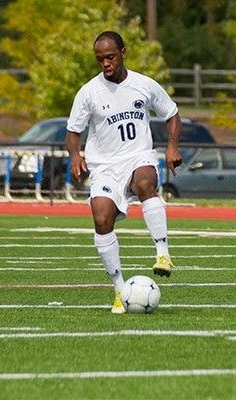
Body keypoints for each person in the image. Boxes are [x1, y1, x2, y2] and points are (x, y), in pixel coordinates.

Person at [65, 31, 182, 314]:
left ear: (123, 53)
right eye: (100, 59)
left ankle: (163, 254)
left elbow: (172, 114)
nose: (105, 63)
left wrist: (171, 147)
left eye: (110, 57)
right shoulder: (89, 92)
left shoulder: (144, 85)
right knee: (102, 218)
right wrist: (74, 155)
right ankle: (120, 290)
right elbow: (72, 132)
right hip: (104, 167)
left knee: (146, 183)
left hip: (138, 156)